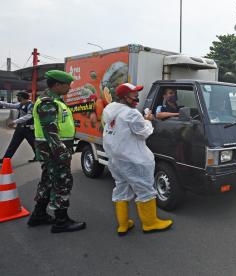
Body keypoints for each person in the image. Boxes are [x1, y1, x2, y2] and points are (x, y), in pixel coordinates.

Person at [103, 83, 173, 235]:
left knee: (121, 189)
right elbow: (144, 132)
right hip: (133, 159)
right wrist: (147, 119)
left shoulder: (110, 111)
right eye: (134, 95)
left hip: (116, 160)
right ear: (124, 97)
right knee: (145, 189)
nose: (136, 98)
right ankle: (150, 223)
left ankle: (123, 224)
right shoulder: (131, 114)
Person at [27, 70, 86, 233]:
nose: (69, 88)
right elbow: (50, 131)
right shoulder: (48, 102)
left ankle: (38, 215)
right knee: (62, 183)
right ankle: (61, 221)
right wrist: (62, 153)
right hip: (54, 150)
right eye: (68, 85)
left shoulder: (55, 101)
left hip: (52, 150)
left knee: (47, 182)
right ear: (58, 85)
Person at [0, 91, 36, 164]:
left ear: (22, 98)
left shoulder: (31, 105)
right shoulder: (20, 104)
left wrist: (14, 122)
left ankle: (39, 157)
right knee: (13, 144)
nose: (18, 98)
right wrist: (1, 102)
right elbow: (10, 105)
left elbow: (29, 116)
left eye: (18, 97)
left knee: (34, 144)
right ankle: (5, 159)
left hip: (29, 129)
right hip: (20, 129)